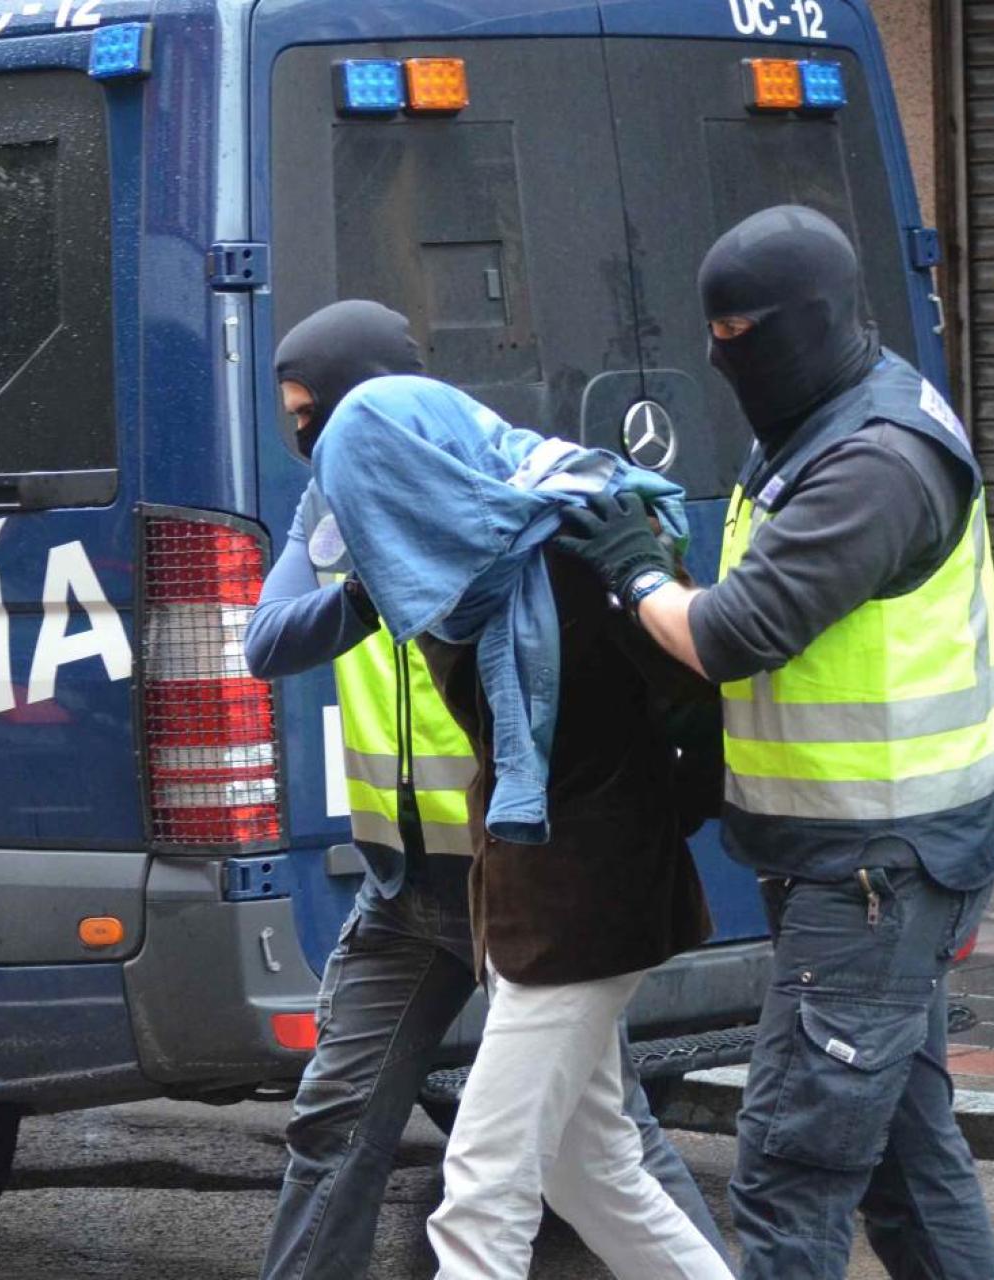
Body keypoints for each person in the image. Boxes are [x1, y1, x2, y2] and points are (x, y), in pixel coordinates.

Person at [552, 205, 994, 1279]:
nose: (726, 357)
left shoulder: (874, 460)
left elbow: (733, 631)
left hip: (879, 862)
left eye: (744, 333)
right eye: (713, 334)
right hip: (848, 852)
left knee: (786, 1172)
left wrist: (632, 571)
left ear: (808, 321)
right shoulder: (815, 415)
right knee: (902, 1159)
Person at [247, 300, 729, 1280]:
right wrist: (364, 581)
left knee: (481, 1188)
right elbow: (269, 638)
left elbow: (692, 681)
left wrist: (641, 586)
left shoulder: (561, 530)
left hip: (574, 895)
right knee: (591, 1165)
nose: (304, 446)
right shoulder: (434, 547)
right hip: (470, 886)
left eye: (311, 418)